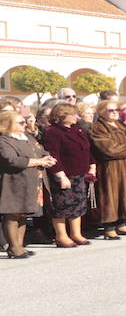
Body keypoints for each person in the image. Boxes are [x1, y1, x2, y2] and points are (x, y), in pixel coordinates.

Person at [0, 109, 56, 257]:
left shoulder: (27, 137)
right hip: (13, 182)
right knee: (12, 214)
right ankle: (13, 247)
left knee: (23, 214)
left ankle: (19, 245)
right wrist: (38, 161)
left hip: (30, 182)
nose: (25, 124)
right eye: (20, 122)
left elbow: (41, 150)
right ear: (8, 124)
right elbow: (11, 160)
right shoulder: (4, 140)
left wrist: (47, 158)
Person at [41, 102, 95, 247]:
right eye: (73, 114)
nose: (76, 117)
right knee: (62, 206)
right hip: (64, 174)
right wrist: (61, 176)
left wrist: (92, 166)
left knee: (78, 204)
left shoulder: (78, 129)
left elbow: (87, 149)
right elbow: (53, 155)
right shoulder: (53, 132)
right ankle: (61, 236)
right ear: (62, 116)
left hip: (80, 174)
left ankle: (76, 233)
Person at [89, 100, 126, 239]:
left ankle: (121, 222)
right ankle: (109, 226)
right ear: (101, 112)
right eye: (110, 110)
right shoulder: (98, 127)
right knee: (110, 196)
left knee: (125, 193)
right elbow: (106, 147)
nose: (114, 112)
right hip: (110, 167)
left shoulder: (120, 125)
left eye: (116, 110)